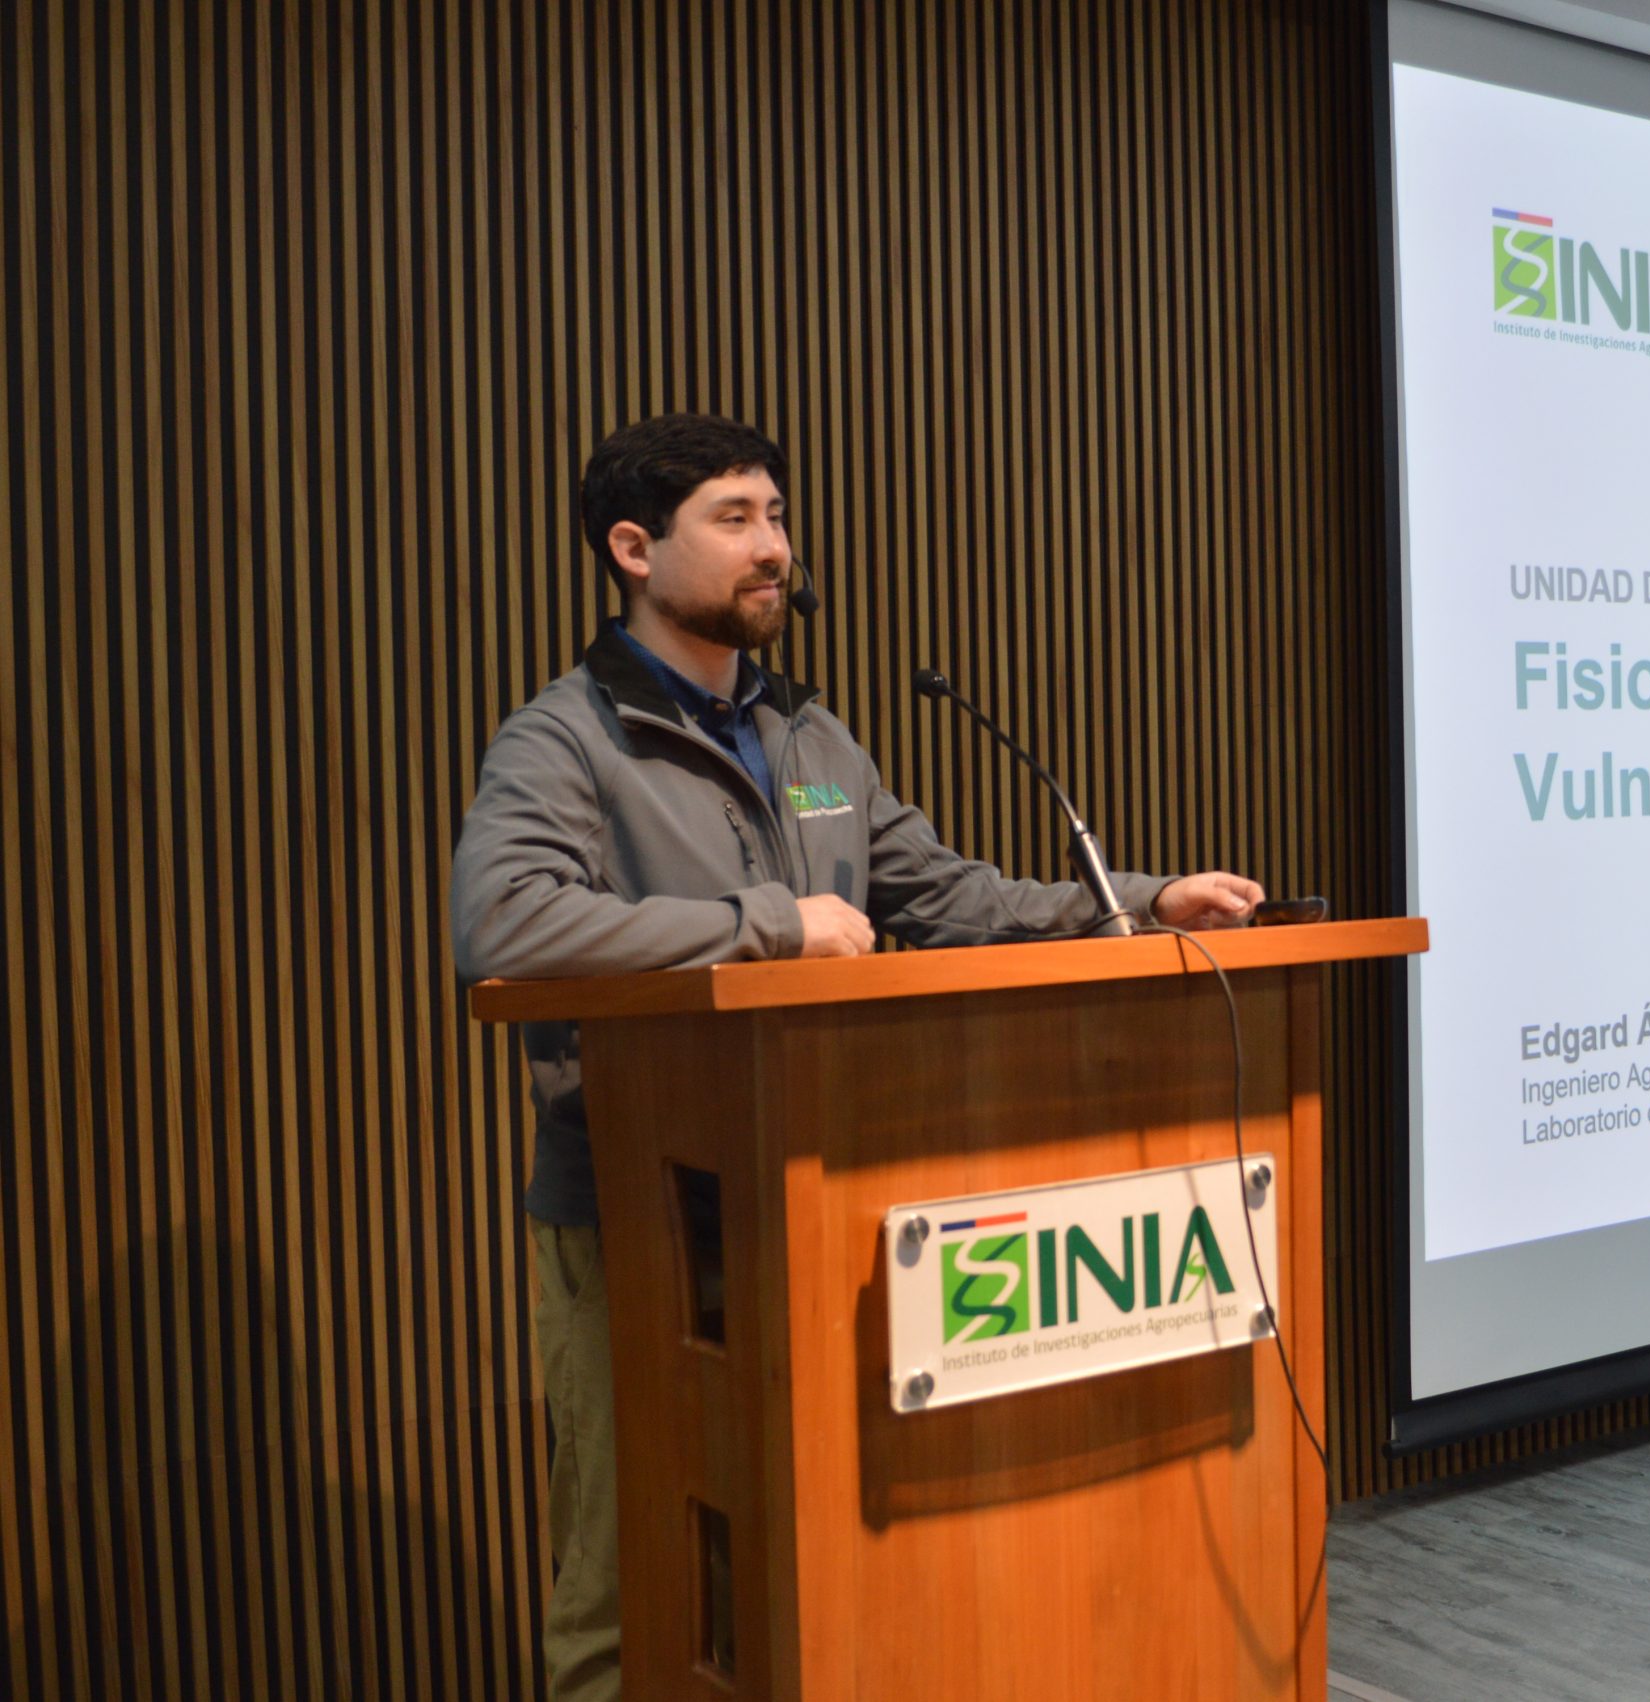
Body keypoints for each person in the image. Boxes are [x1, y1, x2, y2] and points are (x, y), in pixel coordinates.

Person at [448, 413, 1263, 1701]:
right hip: (640, 1222)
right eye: (733, 519)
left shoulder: (812, 737)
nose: (773, 546)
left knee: (803, 1559)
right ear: (632, 550)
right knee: (635, 1574)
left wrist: (1140, 903)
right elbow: (503, 923)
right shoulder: (569, 737)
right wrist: (770, 925)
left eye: (776, 515)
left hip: (819, 1204)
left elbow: (946, 896)